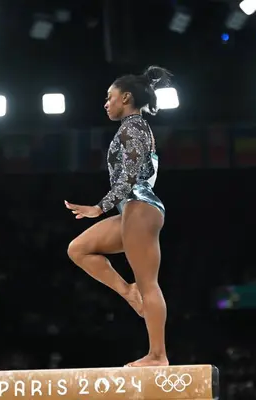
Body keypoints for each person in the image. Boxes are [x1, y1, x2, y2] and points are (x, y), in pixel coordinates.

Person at [64, 66, 171, 367]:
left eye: (109, 97)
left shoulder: (133, 127)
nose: (105, 103)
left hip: (140, 207)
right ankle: (128, 292)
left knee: (149, 282)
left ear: (126, 98)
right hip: (132, 208)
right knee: (78, 249)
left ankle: (158, 355)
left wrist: (100, 207)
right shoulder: (131, 128)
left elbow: (133, 174)